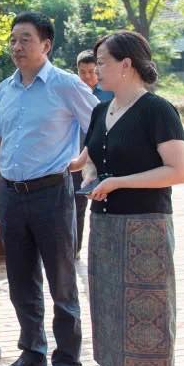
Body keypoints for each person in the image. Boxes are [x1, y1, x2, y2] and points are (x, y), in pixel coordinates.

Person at [70, 31, 184, 366]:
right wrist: (89, 176)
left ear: (126, 65)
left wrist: (119, 182)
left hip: (146, 228)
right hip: (105, 226)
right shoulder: (100, 110)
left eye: (102, 61)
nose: (95, 68)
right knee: (116, 314)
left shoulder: (158, 110)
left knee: (149, 315)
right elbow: (92, 162)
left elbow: (178, 171)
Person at [0, 12, 97, 366]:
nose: (17, 46)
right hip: (12, 195)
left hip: (52, 193)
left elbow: (101, 124)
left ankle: (66, 362)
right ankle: (33, 353)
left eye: (25, 39)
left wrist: (81, 160)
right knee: (20, 279)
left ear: (46, 45)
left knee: (62, 281)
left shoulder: (65, 85)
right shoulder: (5, 89)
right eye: (13, 39)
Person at [72, 50, 114, 258]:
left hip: (101, 158)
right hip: (76, 156)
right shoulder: (72, 93)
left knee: (102, 202)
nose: (88, 76)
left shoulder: (109, 92)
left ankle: (107, 248)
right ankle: (75, 248)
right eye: (83, 72)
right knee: (76, 205)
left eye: (91, 71)